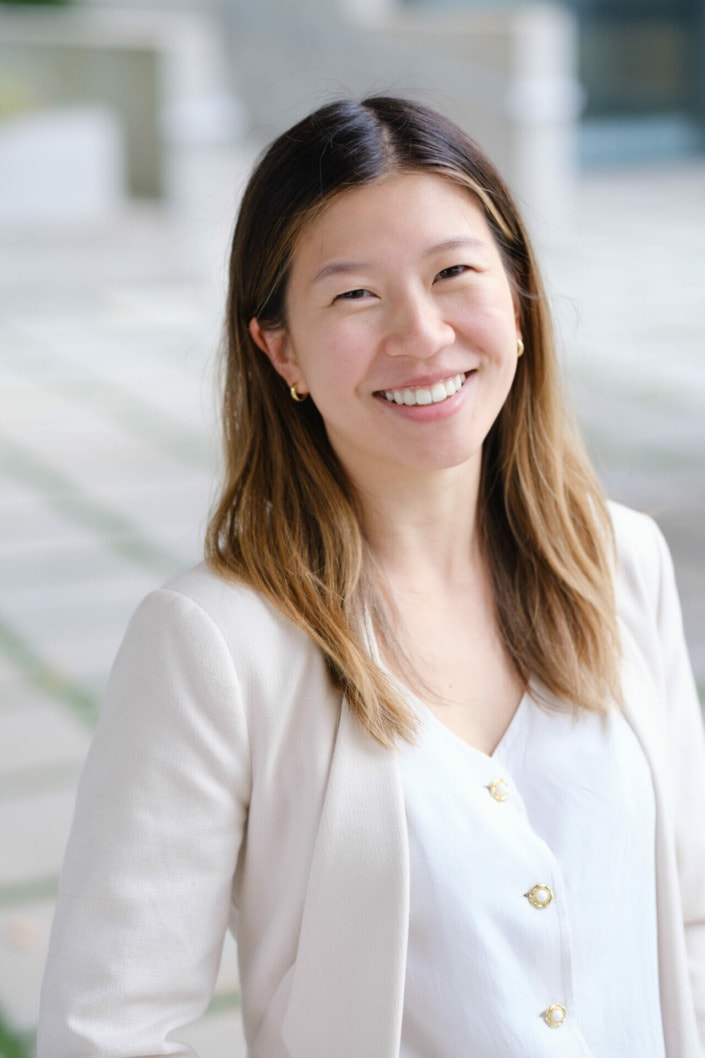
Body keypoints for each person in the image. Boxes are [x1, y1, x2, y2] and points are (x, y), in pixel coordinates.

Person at [37, 96, 705, 1058]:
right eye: (355, 295)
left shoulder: (621, 560)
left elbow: (687, 915)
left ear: (517, 297)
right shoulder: (213, 644)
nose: (422, 334)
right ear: (280, 349)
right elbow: (107, 1031)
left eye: (454, 273)